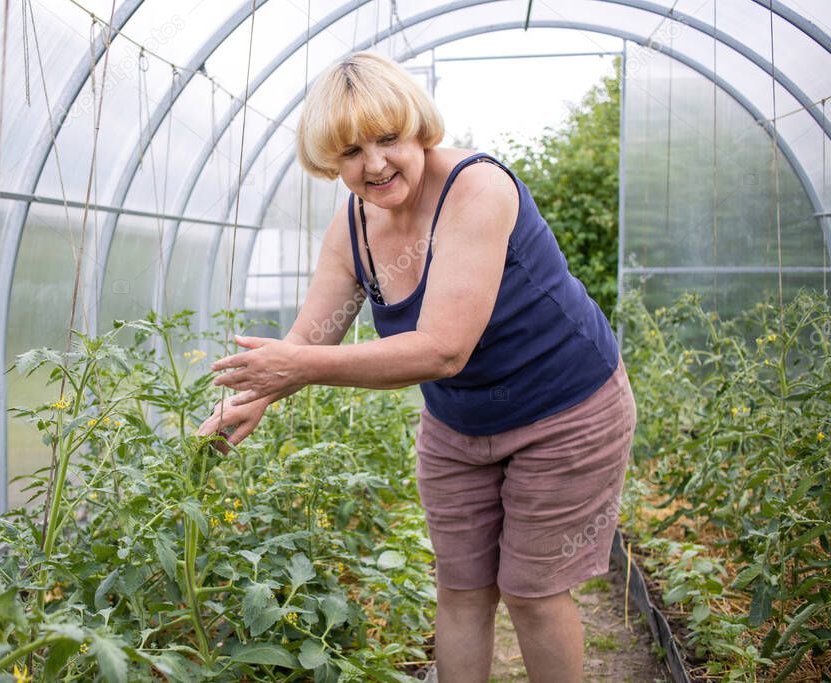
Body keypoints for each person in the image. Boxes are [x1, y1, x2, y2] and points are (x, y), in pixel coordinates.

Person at [196, 51, 636, 683]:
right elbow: (309, 338)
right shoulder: (353, 226)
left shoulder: (478, 188)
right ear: (330, 162)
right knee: (460, 589)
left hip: (566, 411)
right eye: (350, 152)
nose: (373, 164)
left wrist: (300, 367)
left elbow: (443, 348)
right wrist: (250, 399)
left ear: (418, 129)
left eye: (387, 138)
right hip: (458, 426)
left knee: (532, 590)